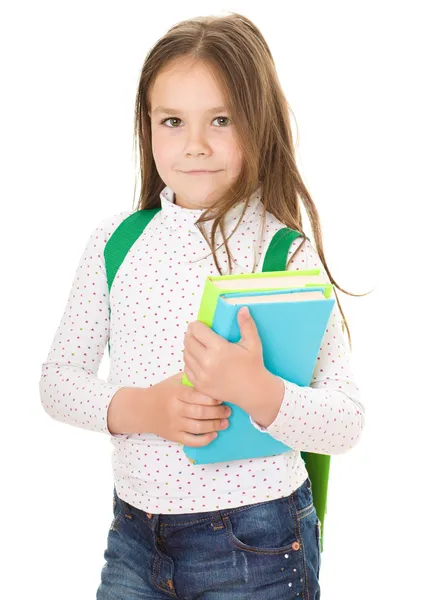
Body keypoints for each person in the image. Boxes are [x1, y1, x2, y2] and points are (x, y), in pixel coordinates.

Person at [39, 12, 366, 599]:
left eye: (221, 119)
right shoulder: (117, 244)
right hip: (135, 539)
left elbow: (346, 420)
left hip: (258, 544)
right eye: (172, 121)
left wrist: (258, 390)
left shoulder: (282, 254)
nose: (195, 145)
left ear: (258, 124)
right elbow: (57, 382)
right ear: (147, 127)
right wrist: (143, 409)